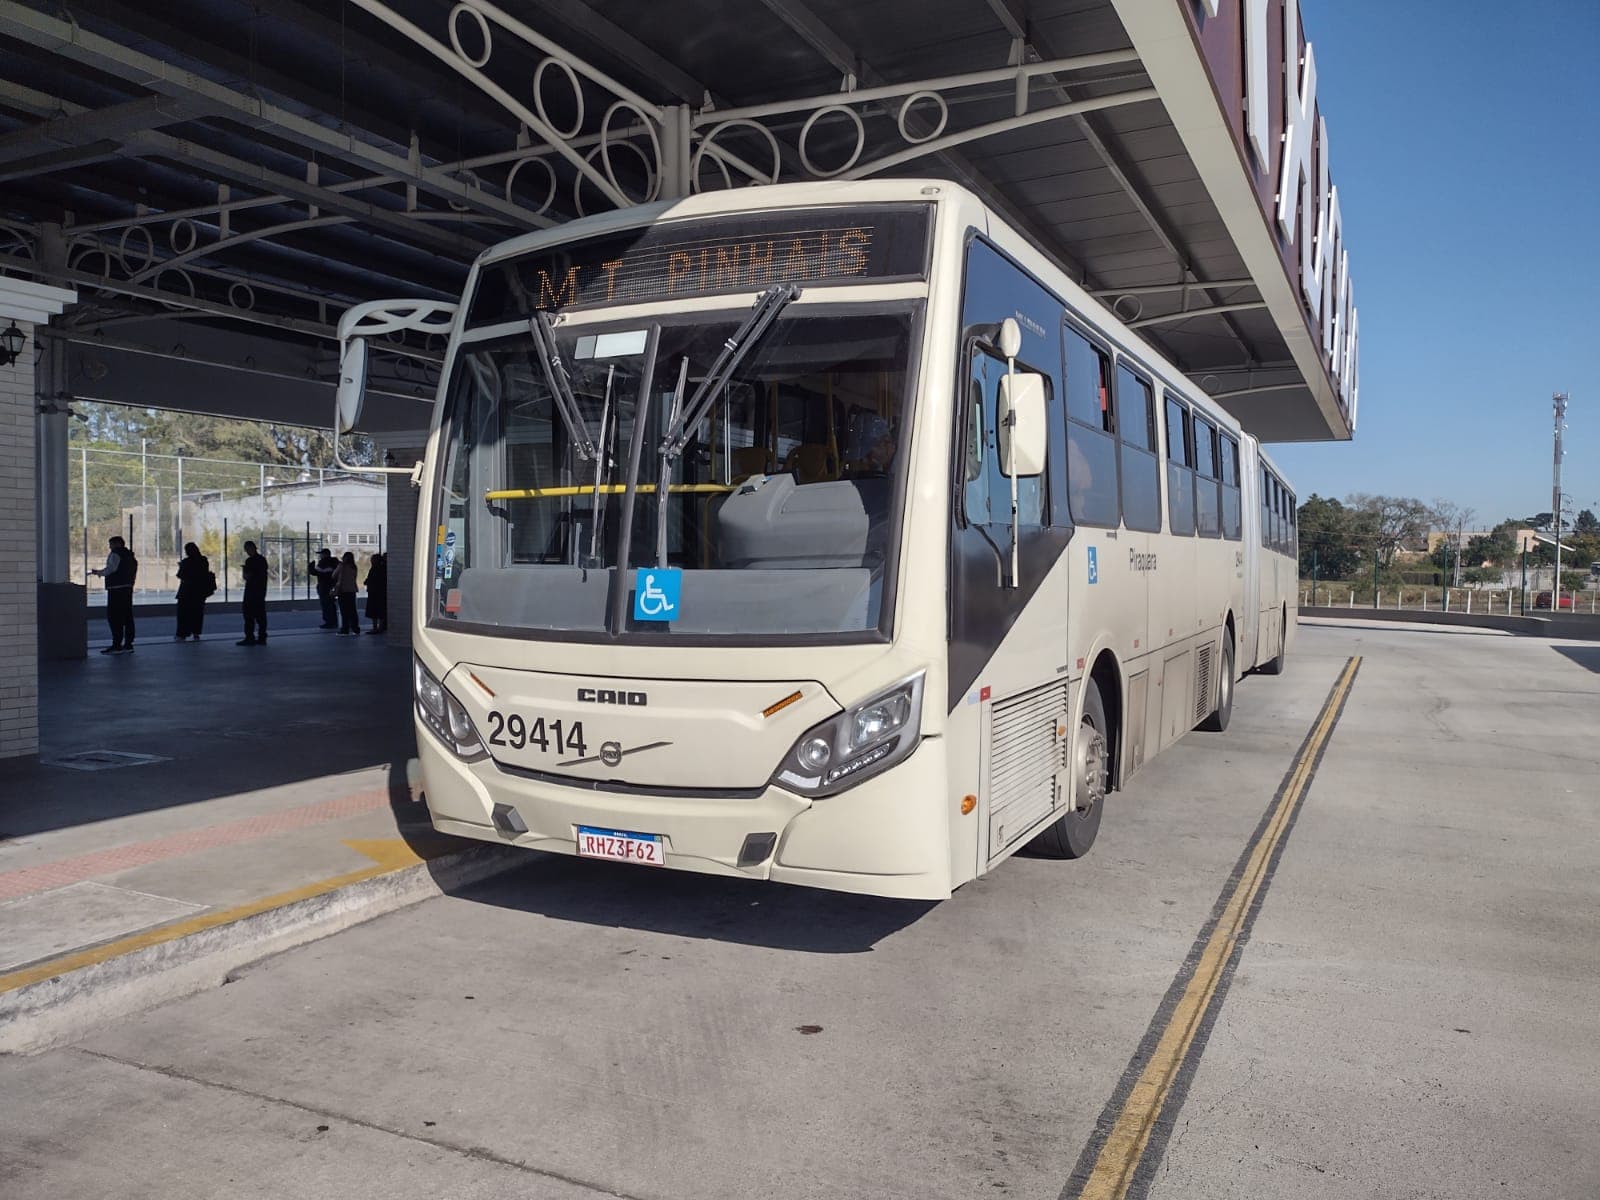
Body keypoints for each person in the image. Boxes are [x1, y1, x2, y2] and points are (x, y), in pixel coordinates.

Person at [89, 535, 138, 654]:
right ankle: (128, 644)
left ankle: (116, 645)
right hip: (127, 588)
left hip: (116, 589)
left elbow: (111, 569)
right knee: (127, 616)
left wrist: (99, 572)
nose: (109, 547)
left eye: (110, 544)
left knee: (114, 617)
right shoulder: (131, 556)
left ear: (116, 544)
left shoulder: (116, 554)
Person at [174, 542, 211, 641]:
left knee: (183, 614)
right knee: (197, 613)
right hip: (199, 592)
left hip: (186, 592)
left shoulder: (186, 562)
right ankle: (196, 633)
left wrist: (181, 566)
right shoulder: (203, 561)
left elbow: (180, 575)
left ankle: (182, 634)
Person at [238, 540, 268, 645]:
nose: (246, 552)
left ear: (250, 548)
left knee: (249, 615)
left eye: (246, 549)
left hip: (251, 591)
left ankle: (249, 637)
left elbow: (247, 577)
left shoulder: (249, 561)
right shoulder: (263, 560)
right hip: (261, 591)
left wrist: (244, 570)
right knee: (260, 615)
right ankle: (262, 637)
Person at [310, 548, 338, 629]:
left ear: (325, 554)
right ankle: (333, 621)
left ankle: (329, 622)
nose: (320, 556)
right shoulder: (334, 562)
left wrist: (311, 568)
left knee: (326, 605)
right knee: (331, 605)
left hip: (324, 587)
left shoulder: (324, 563)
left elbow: (318, 573)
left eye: (321, 554)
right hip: (331, 586)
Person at [335, 551, 361, 635]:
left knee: (344, 611)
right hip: (352, 590)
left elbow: (333, 575)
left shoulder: (341, 566)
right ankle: (355, 628)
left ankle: (345, 629)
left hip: (343, 590)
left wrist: (338, 566)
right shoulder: (354, 567)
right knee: (353, 611)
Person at [364, 551, 387, 635]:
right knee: (381, 610)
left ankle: (375, 628)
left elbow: (371, 579)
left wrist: (367, 582)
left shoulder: (375, 568)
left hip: (374, 592)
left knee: (374, 611)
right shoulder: (383, 568)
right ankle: (380, 627)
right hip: (381, 592)